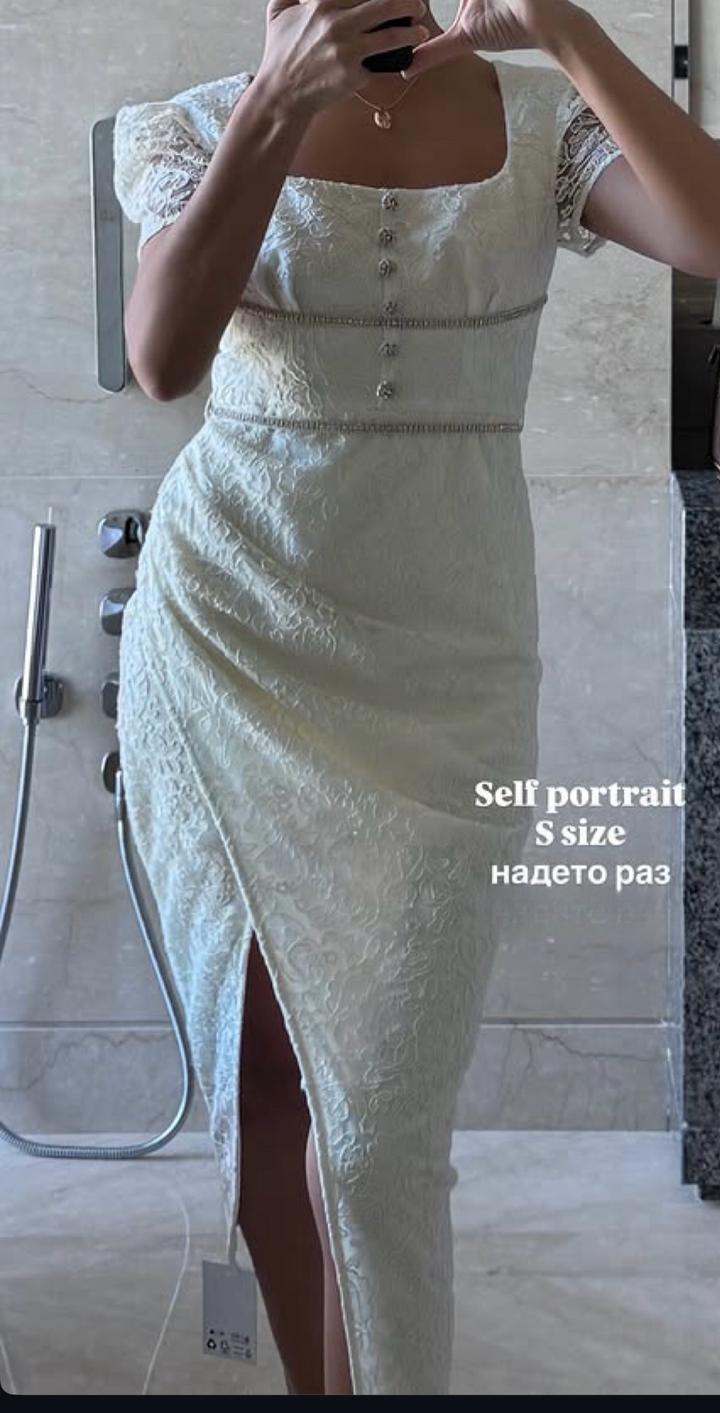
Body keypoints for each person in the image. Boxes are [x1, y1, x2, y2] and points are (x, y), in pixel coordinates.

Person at [112, 0, 720, 1395]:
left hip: (450, 675)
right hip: (227, 649)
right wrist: (271, 108)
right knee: (261, 1083)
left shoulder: (539, 127)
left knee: (383, 1131)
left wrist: (568, 31)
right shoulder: (192, 126)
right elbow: (163, 360)